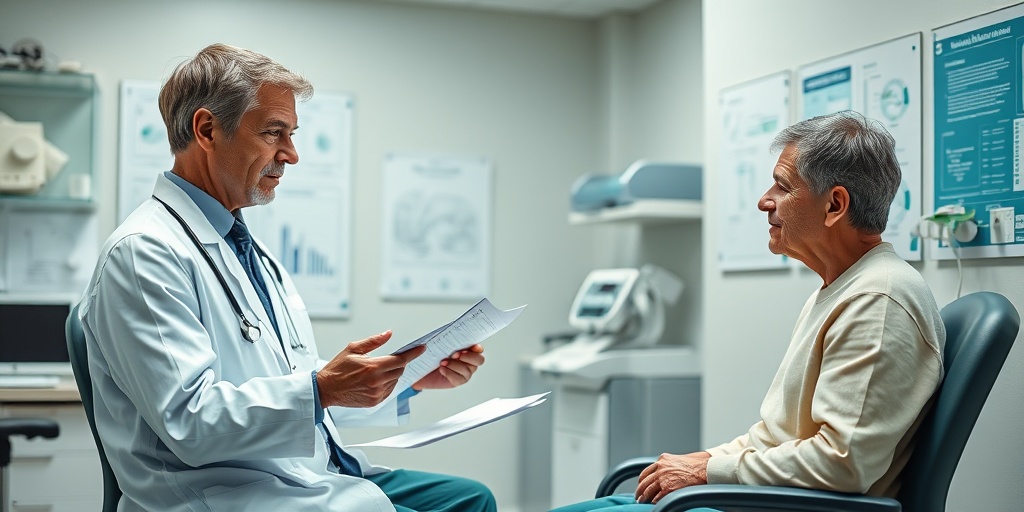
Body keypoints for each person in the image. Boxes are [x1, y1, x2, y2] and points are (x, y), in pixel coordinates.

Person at [79, 43, 496, 512]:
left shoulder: (247, 252)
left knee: (471, 499)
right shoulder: (144, 253)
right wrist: (322, 389)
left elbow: (294, 391)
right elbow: (189, 422)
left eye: (292, 134)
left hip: (299, 472)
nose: (292, 154)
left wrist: (412, 378)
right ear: (207, 129)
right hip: (224, 494)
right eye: (274, 133)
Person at [552, 110, 945, 512]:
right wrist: (704, 461)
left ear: (834, 205)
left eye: (782, 185)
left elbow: (842, 463)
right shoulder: (842, 290)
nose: (763, 201)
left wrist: (710, 473)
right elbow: (777, 437)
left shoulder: (878, 300)